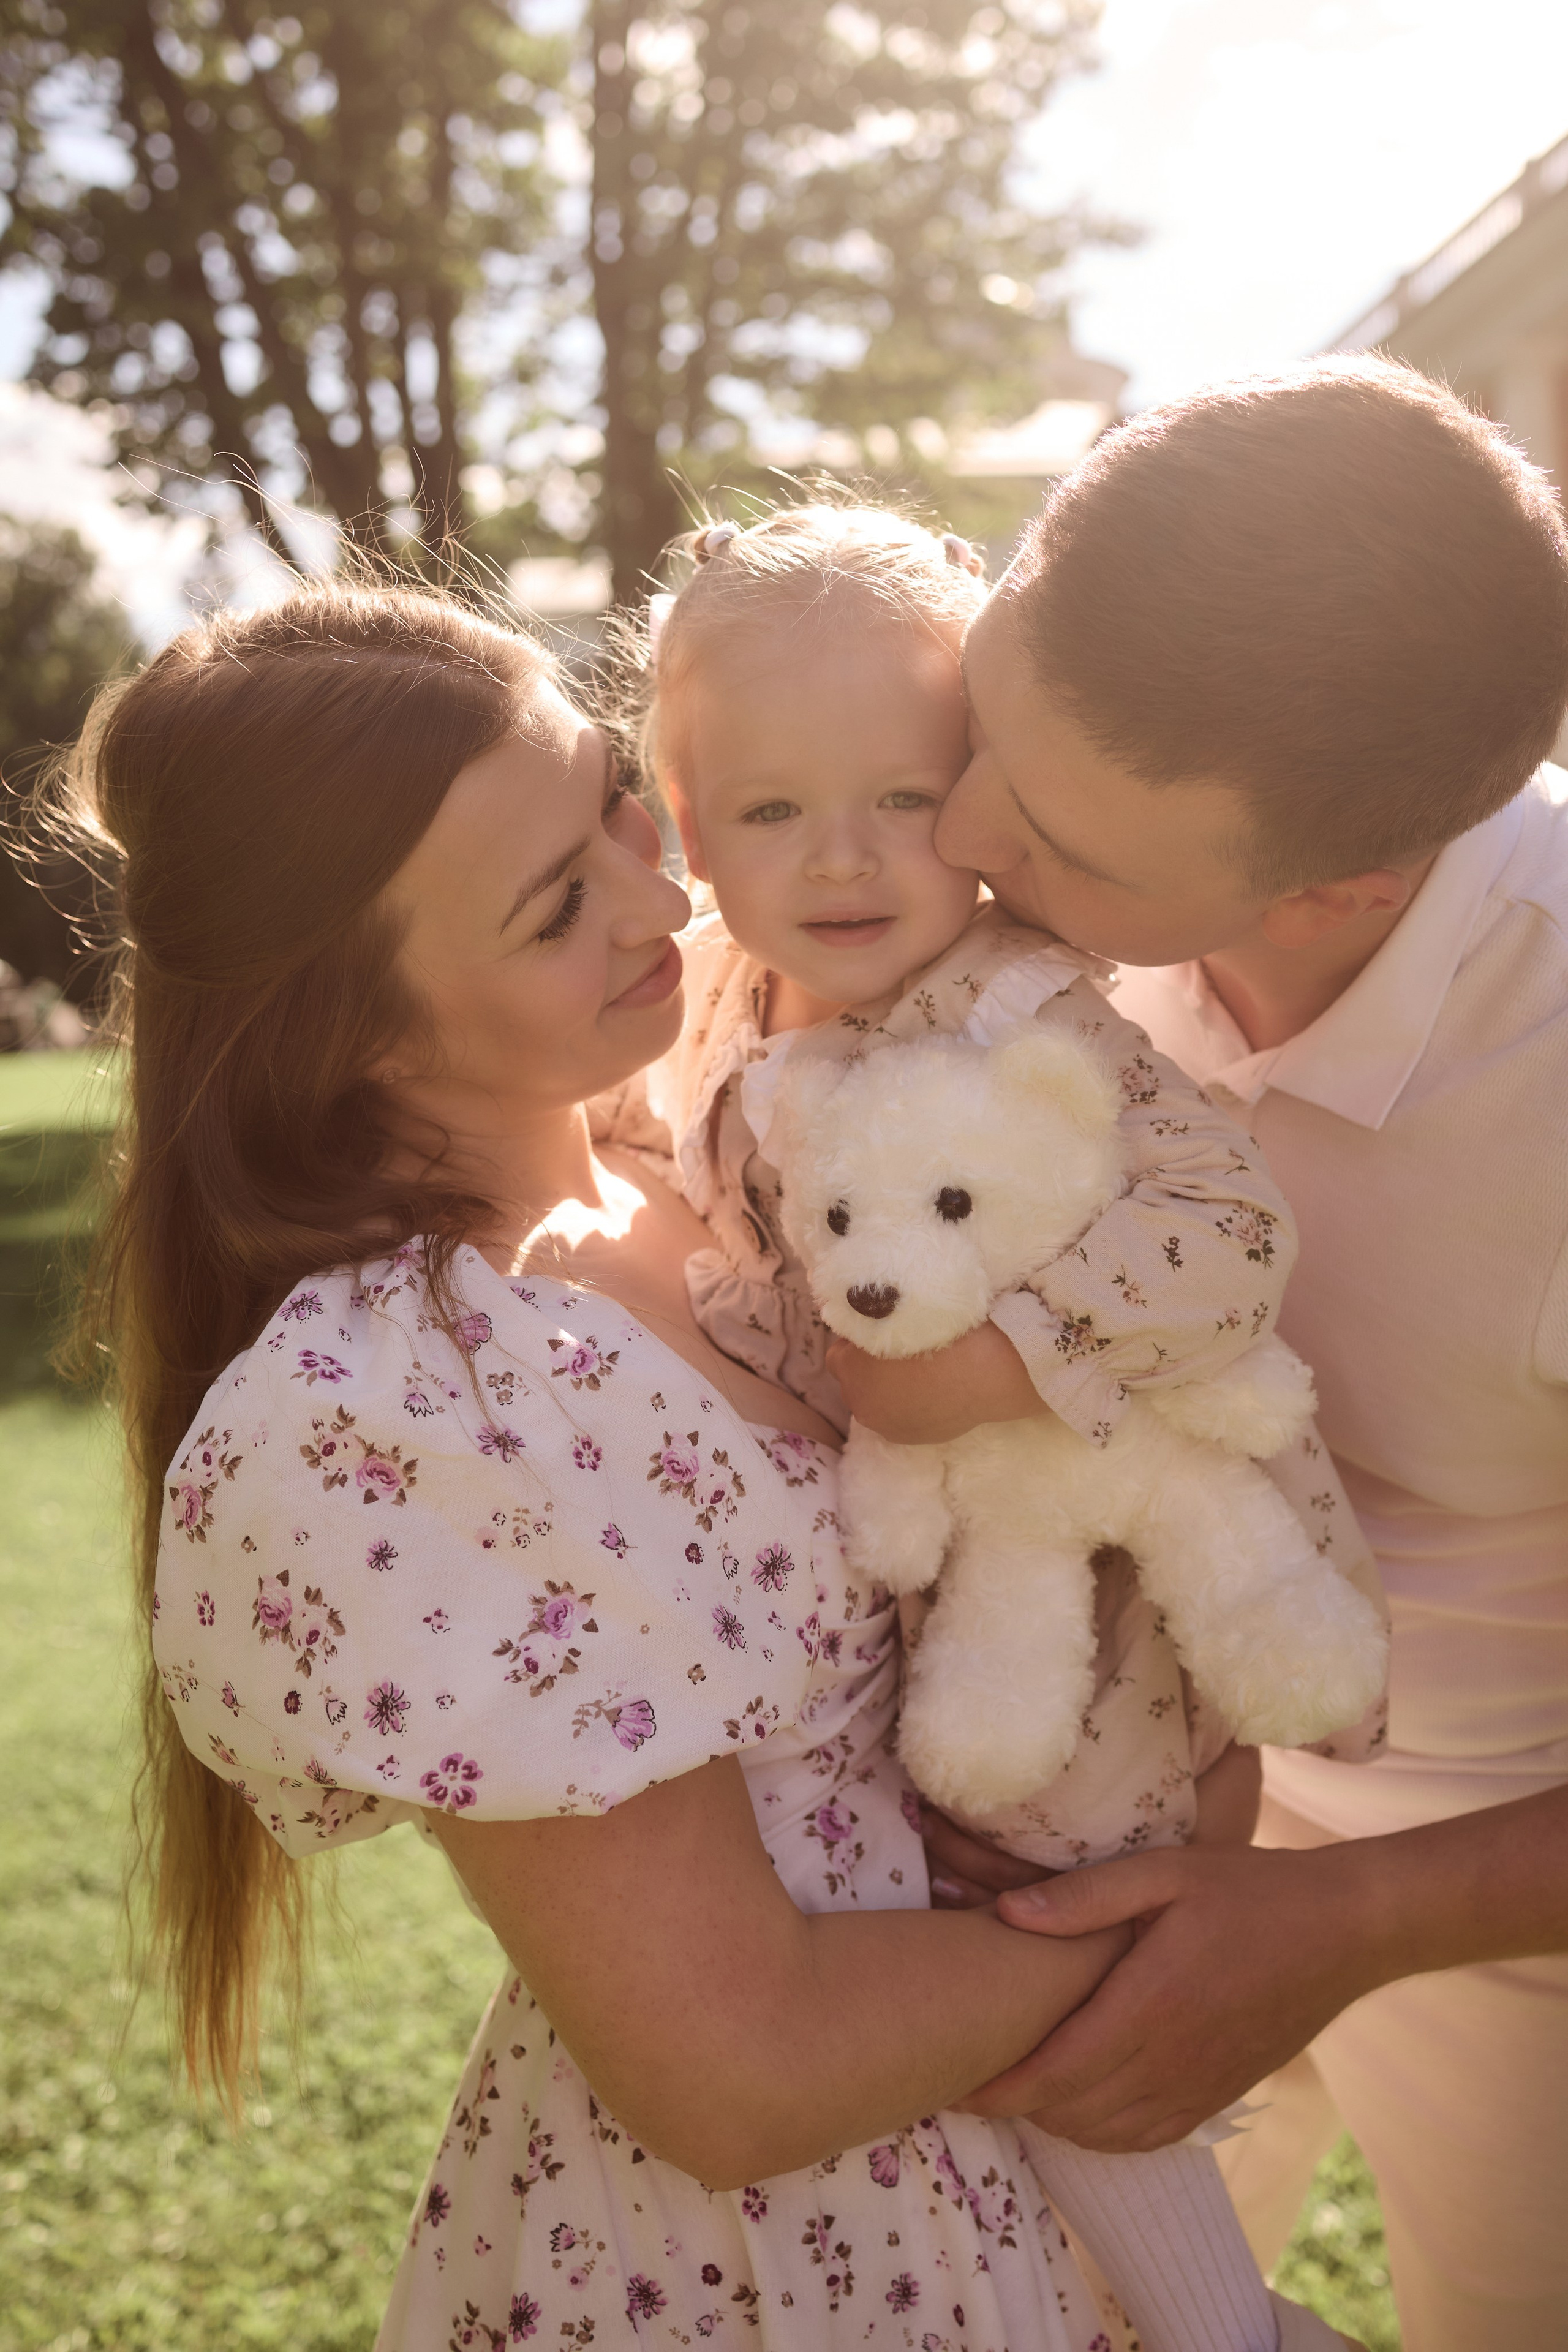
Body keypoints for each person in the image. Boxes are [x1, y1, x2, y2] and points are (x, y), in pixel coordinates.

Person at [75, 580, 1353, 2352]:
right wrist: (1182, 1937)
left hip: (1016, 2151)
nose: (662, 893)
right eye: (551, 910)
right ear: (357, 1028)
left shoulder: (714, 1150)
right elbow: (737, 2074)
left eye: (614, 799)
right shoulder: (410, 1403)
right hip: (789, 2256)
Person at [839, 358, 1568, 2351]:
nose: (963, 836)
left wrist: (1339, 1924)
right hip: (1110, 1828)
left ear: (1346, 881)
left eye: (1061, 840)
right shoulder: (1011, 934)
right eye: (983, 721)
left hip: (1513, 1912)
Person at [610, 493, 1386, 2350]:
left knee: (1065, 1962)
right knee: (907, 1984)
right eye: (776, 810)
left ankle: (1228, 2328)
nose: (848, 856)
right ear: (687, 821)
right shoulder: (710, 1007)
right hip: (875, 1574)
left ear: (979, 794)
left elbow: (1227, 1235)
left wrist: (1006, 1352)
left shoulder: (1027, 1012)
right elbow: (666, 1182)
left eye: (903, 791)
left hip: (1088, 1570)